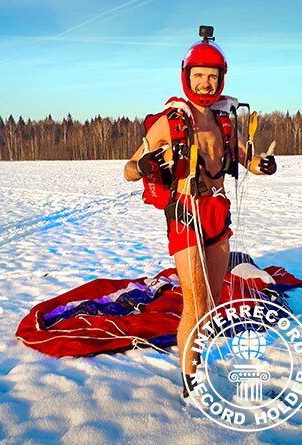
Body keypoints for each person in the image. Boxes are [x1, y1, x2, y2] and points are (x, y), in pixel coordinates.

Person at [123, 26, 277, 397]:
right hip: (185, 213)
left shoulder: (224, 120)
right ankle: (190, 382)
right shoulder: (171, 121)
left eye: (213, 77)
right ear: (187, 76)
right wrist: (145, 166)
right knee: (193, 300)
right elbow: (129, 168)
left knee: (211, 297)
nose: (206, 85)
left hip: (217, 214)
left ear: (221, 79)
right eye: (200, 77)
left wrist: (263, 165)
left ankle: (200, 354)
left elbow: (245, 158)